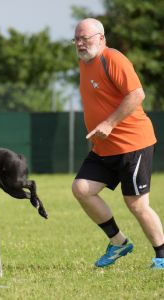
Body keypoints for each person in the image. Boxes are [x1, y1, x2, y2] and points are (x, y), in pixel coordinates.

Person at [71, 18, 164, 268]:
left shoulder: (112, 58)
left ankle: (162, 257)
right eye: (76, 39)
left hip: (132, 144)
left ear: (101, 38)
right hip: (103, 147)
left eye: (85, 38)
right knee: (81, 188)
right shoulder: (83, 62)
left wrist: (109, 124)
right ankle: (119, 243)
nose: (80, 43)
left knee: (136, 204)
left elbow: (137, 94)